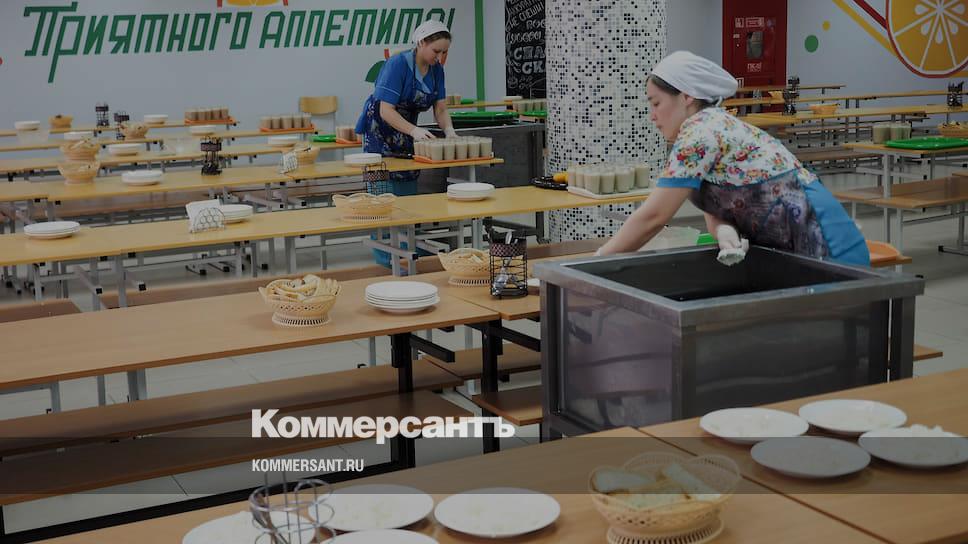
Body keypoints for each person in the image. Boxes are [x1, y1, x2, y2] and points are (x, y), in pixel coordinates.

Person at [597, 51, 869, 267]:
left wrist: (597, 262)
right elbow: (715, 208)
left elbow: (654, 217)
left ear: (687, 95)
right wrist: (724, 232)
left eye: (656, 103)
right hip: (802, 248)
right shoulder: (707, 128)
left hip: (829, 244)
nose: (652, 116)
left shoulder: (701, 132)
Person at [354, 19, 458, 196]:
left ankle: (407, 214)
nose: (440, 57)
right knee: (380, 178)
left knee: (407, 175)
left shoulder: (437, 70)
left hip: (405, 130)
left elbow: (440, 108)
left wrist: (449, 131)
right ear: (421, 42)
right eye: (436, 51)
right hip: (379, 129)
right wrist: (414, 130)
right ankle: (378, 211)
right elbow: (385, 110)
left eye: (444, 52)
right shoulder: (397, 64)